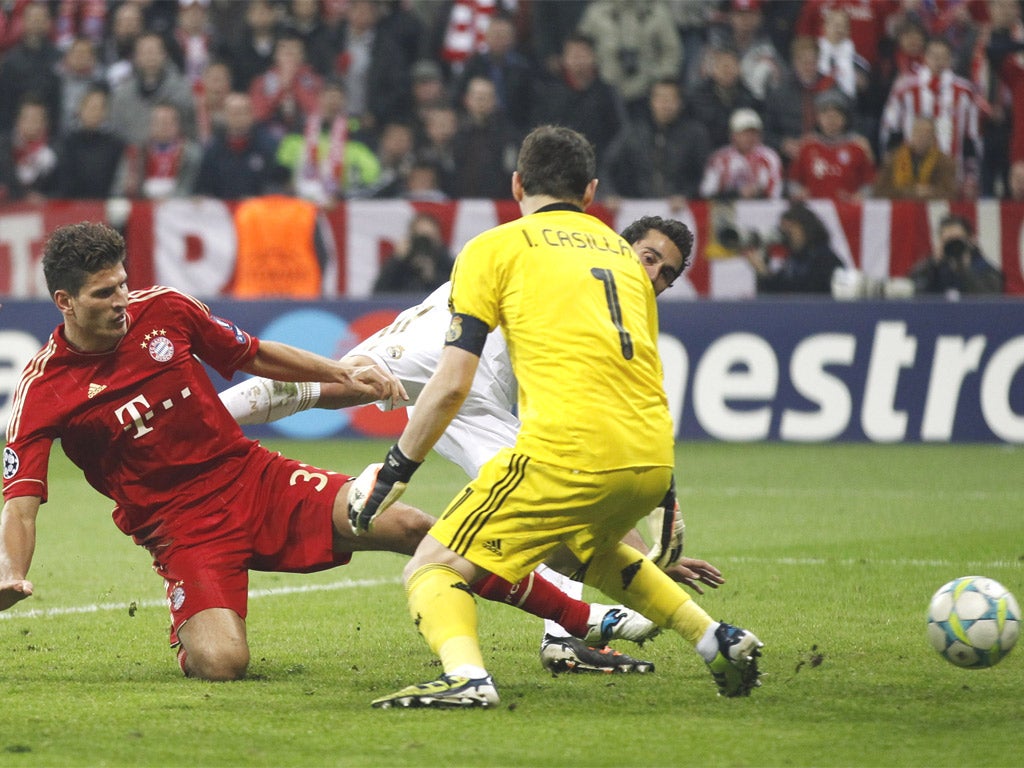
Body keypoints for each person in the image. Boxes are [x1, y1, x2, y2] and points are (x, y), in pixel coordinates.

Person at [0, 222, 656, 682]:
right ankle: (191, 625)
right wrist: (11, 573)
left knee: (413, 526)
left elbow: (254, 353)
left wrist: (345, 373)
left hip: (251, 477)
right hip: (180, 531)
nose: (122, 303)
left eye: (122, 285)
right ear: (65, 302)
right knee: (222, 664)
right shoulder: (41, 393)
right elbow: (22, 502)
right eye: (103, 295)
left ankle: (581, 617)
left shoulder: (167, 309)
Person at [345, 125, 763, 708]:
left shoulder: (493, 249)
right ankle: (716, 637)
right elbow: (646, 376)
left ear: (516, 184)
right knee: (589, 553)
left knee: (432, 567)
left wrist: (394, 471)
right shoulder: (623, 258)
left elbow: (452, 383)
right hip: (648, 455)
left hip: (565, 452)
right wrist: (665, 494)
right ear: (590, 192)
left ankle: (467, 679)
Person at [221, 212, 726, 674]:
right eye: (650, 258)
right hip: (444, 342)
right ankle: (204, 417)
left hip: (476, 401)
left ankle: (565, 640)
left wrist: (652, 550)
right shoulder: (579, 272)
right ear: (620, 246)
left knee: (559, 503)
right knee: (335, 385)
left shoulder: (620, 312)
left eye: (668, 274)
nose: (656, 277)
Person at [788, 88, 875, 202]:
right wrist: (799, 193)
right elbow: (793, 181)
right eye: (826, 115)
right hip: (813, 212)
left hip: (847, 212)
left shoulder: (858, 147)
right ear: (818, 118)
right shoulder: (807, 146)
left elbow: (870, 183)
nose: (831, 120)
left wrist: (861, 196)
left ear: (844, 119)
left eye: (835, 115)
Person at [743, 201, 842, 294]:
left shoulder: (825, 259)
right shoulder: (793, 260)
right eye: (783, 230)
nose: (786, 235)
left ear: (806, 228)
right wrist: (761, 271)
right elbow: (772, 291)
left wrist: (764, 273)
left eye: (791, 229)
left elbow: (802, 291)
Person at [908, 214, 1004, 296]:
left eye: (957, 240)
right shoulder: (931, 267)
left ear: (971, 241)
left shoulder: (986, 270)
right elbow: (913, 290)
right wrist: (932, 265)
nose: (953, 246)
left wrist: (965, 270)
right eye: (948, 240)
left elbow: (990, 302)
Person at [699, 108, 784, 200]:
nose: (749, 137)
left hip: (760, 208)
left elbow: (775, 192)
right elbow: (707, 192)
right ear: (733, 135)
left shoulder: (769, 157)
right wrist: (737, 193)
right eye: (744, 133)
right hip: (728, 209)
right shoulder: (720, 158)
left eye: (753, 133)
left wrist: (755, 191)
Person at [873, 115, 957, 200]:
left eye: (926, 133)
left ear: (933, 138)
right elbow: (879, 191)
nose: (921, 137)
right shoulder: (894, 158)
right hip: (900, 210)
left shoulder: (944, 162)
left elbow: (951, 193)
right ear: (911, 134)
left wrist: (931, 192)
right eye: (918, 132)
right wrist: (912, 192)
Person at [373, 212, 455, 294]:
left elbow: (455, 293)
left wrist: (432, 276)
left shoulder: (445, 262)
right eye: (419, 237)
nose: (423, 243)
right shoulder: (400, 263)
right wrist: (397, 259)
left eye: (428, 238)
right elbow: (378, 292)